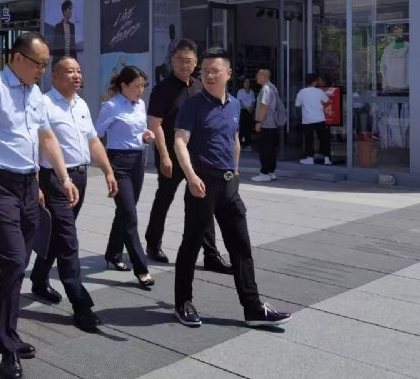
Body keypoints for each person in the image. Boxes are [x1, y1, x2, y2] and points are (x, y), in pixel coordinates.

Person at [0, 32, 78, 379]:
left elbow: (45, 137)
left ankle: (3, 335)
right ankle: (8, 347)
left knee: (18, 265)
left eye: (45, 64)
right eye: (39, 64)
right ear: (18, 59)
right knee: (12, 261)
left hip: (28, 184)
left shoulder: (34, 92)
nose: (43, 70)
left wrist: (63, 177)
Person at [172, 47, 291, 328]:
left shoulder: (235, 104)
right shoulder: (192, 105)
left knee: (241, 246)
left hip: (228, 185)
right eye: (205, 71)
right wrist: (191, 176)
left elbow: (234, 139)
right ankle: (183, 303)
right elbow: (179, 142)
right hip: (201, 183)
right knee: (191, 244)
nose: (209, 75)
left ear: (228, 73)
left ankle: (253, 308)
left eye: (215, 71)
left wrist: (235, 171)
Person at [30, 56, 118, 332]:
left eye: (79, 71)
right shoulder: (43, 104)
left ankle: (38, 279)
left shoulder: (81, 104)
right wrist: (36, 185)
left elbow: (93, 141)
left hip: (79, 177)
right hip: (54, 180)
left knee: (58, 237)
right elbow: (34, 146)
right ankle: (81, 304)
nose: (77, 76)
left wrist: (108, 171)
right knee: (69, 241)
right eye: (70, 71)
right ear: (55, 76)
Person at [144, 39, 232, 274]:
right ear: (172, 61)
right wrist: (164, 156)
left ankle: (211, 255)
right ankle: (153, 243)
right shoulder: (162, 89)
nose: (184, 65)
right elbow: (155, 124)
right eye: (179, 60)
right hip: (171, 156)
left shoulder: (201, 86)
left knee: (204, 204)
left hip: (199, 158)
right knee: (164, 199)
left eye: (189, 61)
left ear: (195, 63)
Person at [95, 65, 156, 289]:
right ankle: (141, 268)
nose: (140, 91)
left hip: (138, 161)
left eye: (143, 86)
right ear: (123, 85)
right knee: (130, 216)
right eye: (136, 86)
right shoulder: (110, 106)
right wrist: (105, 168)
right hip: (118, 163)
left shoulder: (140, 105)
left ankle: (113, 253)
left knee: (124, 212)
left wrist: (146, 135)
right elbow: (96, 135)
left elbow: (137, 132)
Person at [295, 73, 332, 165]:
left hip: (307, 119)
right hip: (319, 118)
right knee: (323, 139)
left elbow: (297, 104)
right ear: (314, 82)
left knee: (309, 139)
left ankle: (310, 158)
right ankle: (327, 158)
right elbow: (327, 100)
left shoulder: (301, 92)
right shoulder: (319, 91)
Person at [252, 68, 279, 183]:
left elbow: (264, 106)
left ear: (263, 77)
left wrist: (259, 122)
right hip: (272, 124)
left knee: (264, 149)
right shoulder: (273, 87)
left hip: (266, 124)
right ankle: (271, 172)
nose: (256, 78)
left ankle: (264, 173)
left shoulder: (266, 88)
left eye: (258, 76)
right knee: (271, 150)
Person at [236, 78, 256, 150]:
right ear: (243, 83)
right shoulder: (240, 91)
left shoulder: (251, 92)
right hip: (243, 111)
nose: (247, 84)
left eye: (248, 82)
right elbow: (240, 101)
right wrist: (247, 108)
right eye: (246, 82)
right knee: (242, 127)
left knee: (248, 128)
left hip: (250, 112)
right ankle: (240, 144)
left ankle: (248, 144)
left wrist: (251, 108)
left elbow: (253, 102)